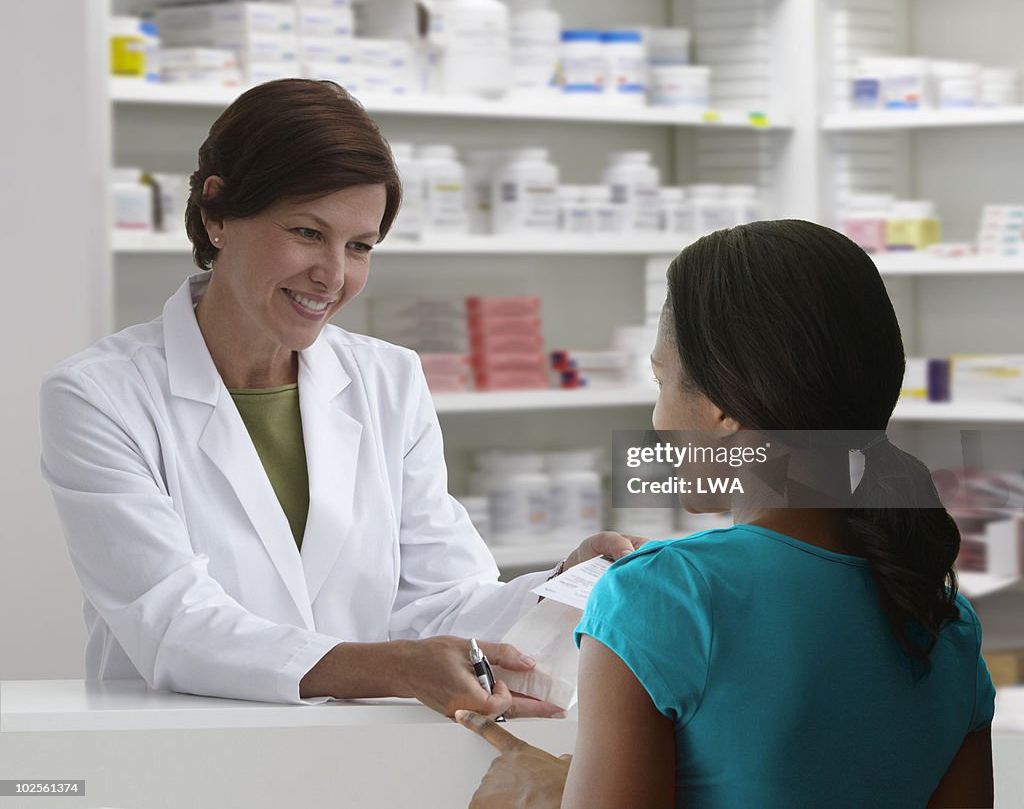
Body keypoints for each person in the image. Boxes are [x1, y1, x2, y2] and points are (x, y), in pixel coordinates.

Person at [40, 79, 641, 715]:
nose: (333, 275)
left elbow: (442, 600)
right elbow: (170, 623)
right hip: (186, 760)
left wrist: (561, 589)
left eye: (359, 247)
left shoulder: (389, 380)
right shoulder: (99, 396)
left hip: (354, 762)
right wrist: (393, 669)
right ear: (216, 213)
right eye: (306, 232)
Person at [458, 220, 995, 808]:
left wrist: (552, 795)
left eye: (662, 380)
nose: (658, 418)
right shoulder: (940, 614)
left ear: (723, 407)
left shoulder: (663, 593)